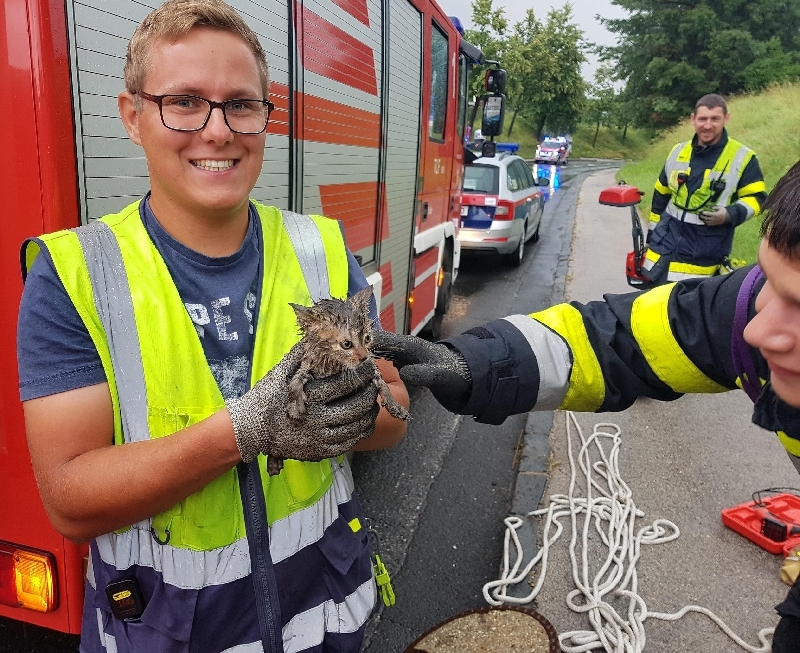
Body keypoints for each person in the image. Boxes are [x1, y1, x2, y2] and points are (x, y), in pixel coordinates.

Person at [15, 1, 409, 652]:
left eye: (241, 105)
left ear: (264, 117)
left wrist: (354, 410)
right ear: (132, 116)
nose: (218, 130)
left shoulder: (319, 249)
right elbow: (70, 500)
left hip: (326, 623)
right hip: (166, 632)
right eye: (184, 102)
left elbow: (394, 416)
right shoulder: (76, 276)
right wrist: (244, 431)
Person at [373, 160, 800, 651]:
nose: (756, 332)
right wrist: (473, 363)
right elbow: (614, 340)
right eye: (770, 281)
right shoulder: (746, 309)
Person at [643, 93, 767, 284]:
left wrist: (729, 214)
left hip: (702, 258)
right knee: (651, 301)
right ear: (693, 119)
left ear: (726, 118)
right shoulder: (678, 151)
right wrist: (652, 234)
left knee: (691, 302)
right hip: (661, 253)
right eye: (702, 119)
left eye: (715, 119)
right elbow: (661, 193)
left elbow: (758, 198)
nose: (707, 125)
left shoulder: (742, 157)